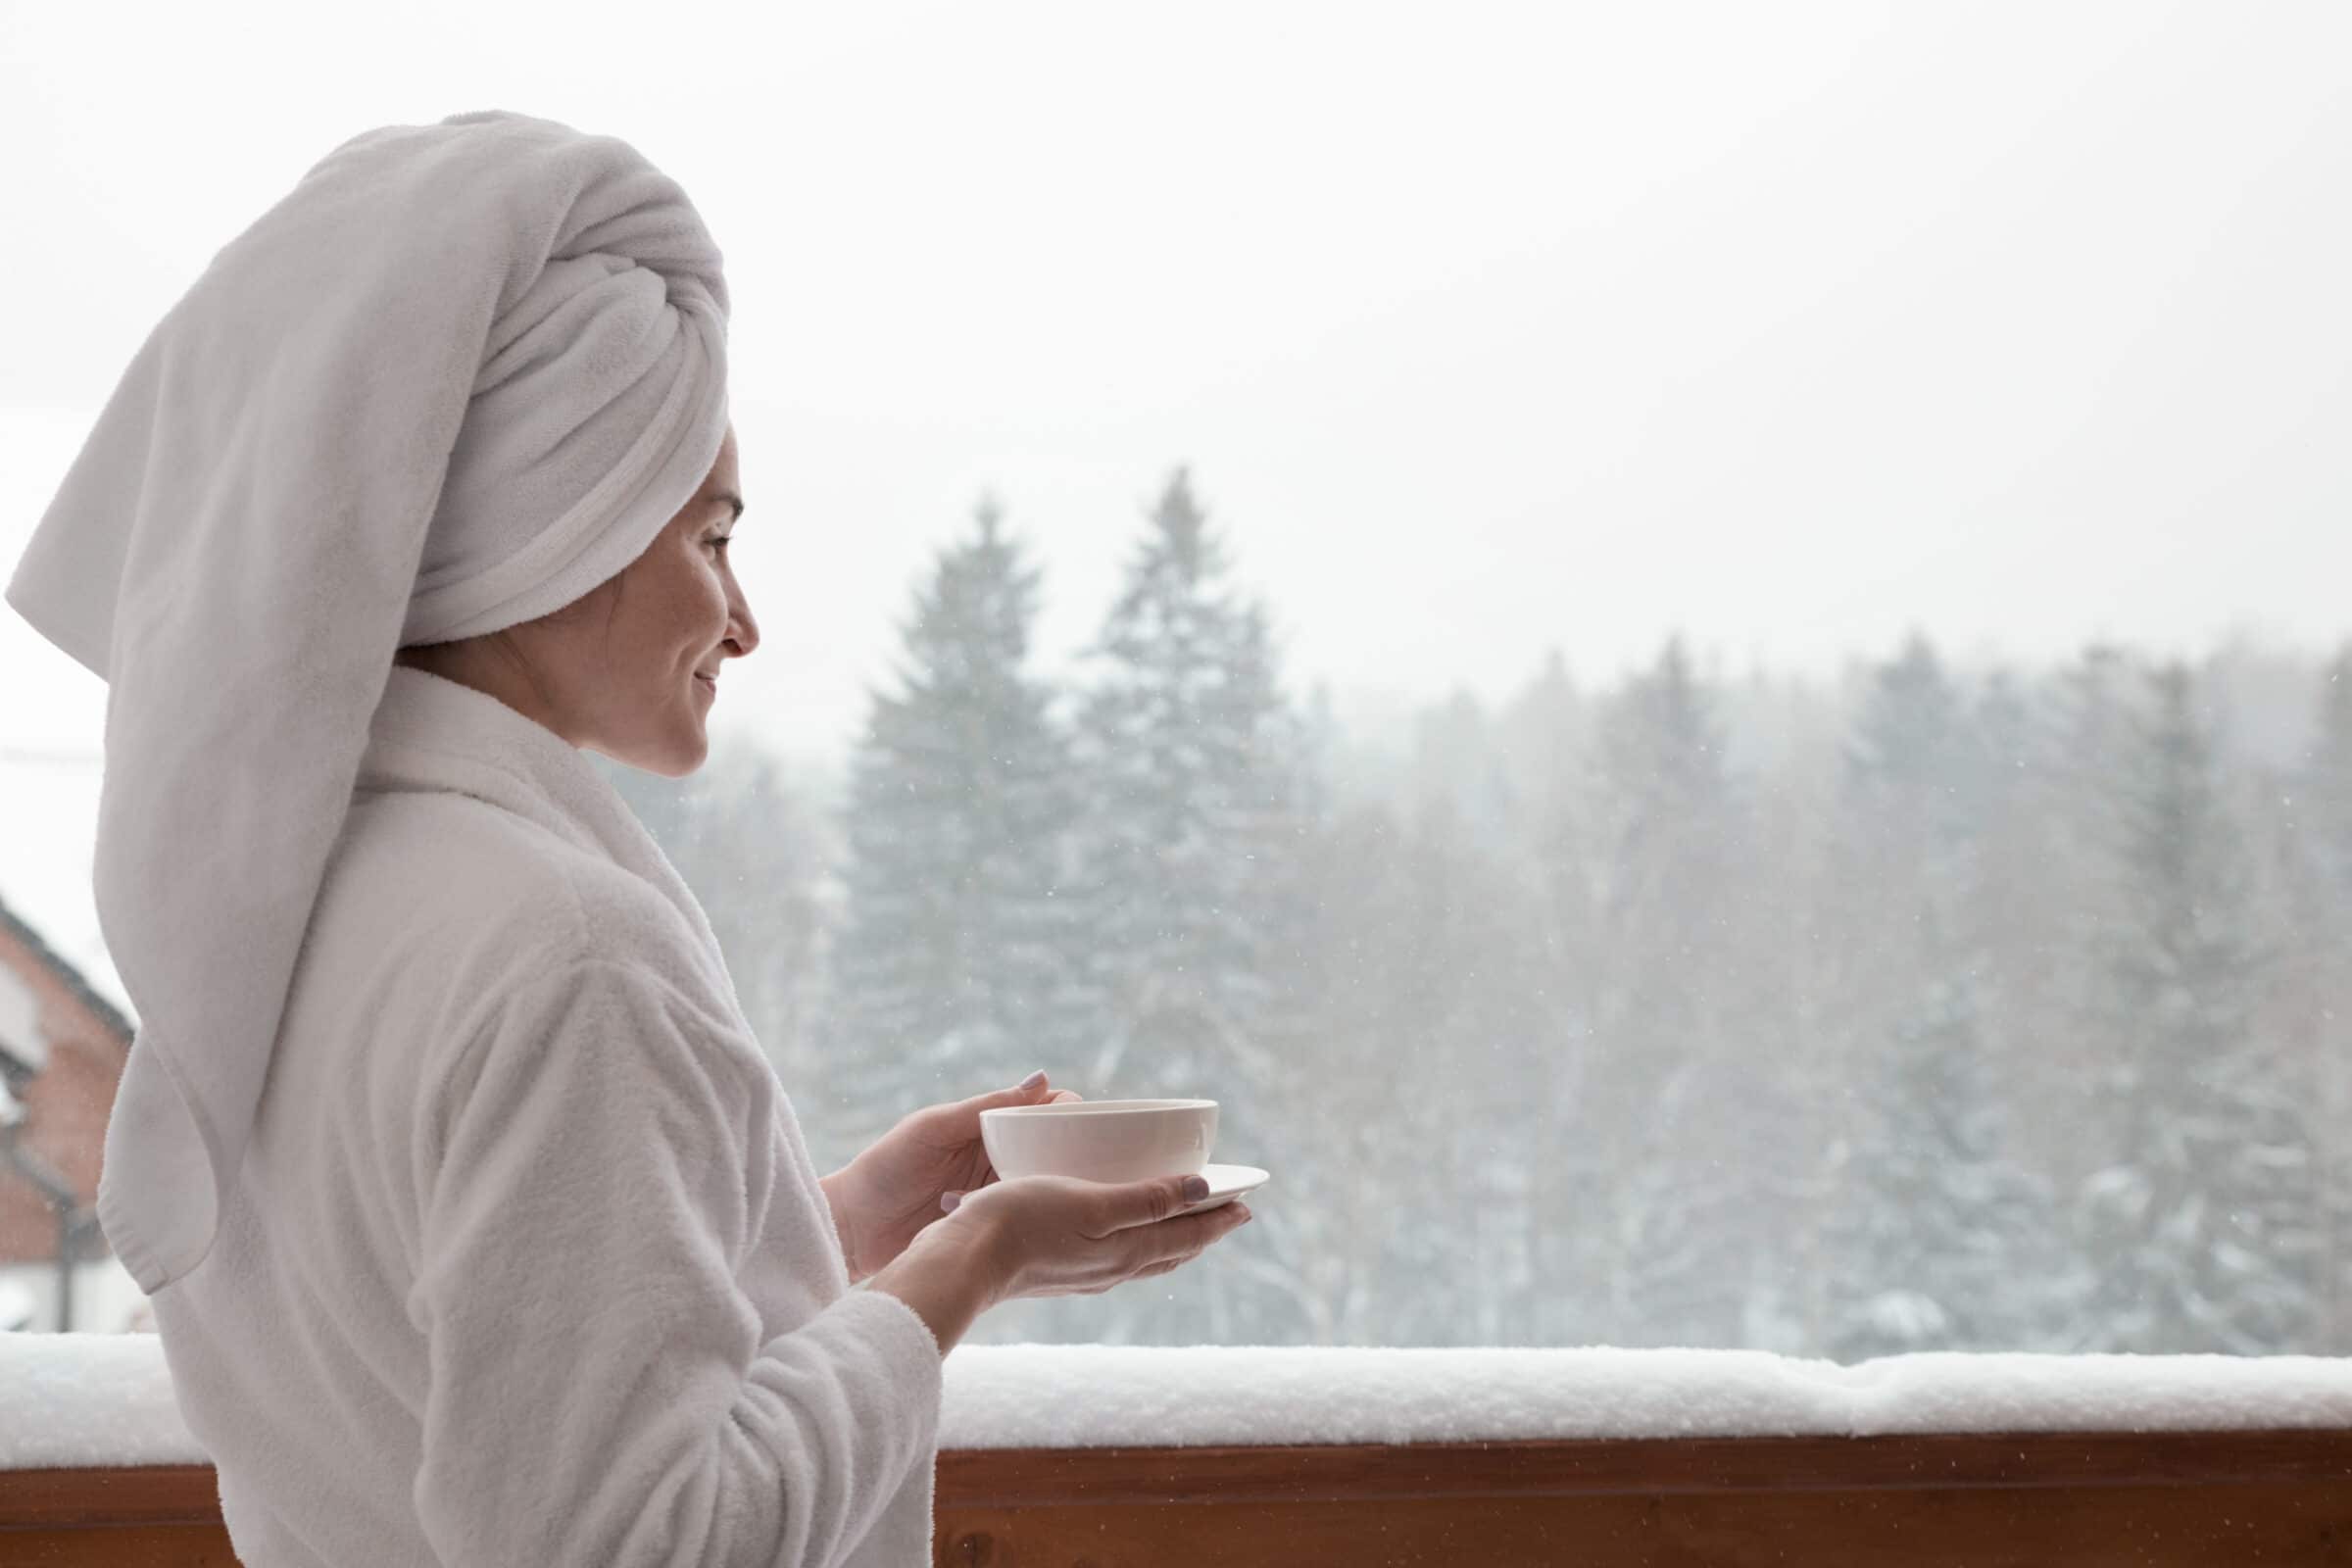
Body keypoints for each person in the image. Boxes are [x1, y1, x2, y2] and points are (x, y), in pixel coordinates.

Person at [4, 111, 1247, 1568]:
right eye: (710, 536)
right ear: (554, 533)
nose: (744, 619)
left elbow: (475, 1365)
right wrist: (972, 1265)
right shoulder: (565, 950)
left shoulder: (290, 906)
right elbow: (639, 1540)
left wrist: (829, 1226)